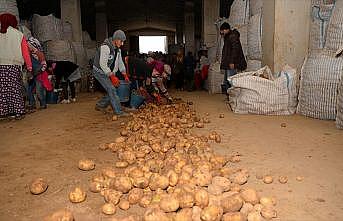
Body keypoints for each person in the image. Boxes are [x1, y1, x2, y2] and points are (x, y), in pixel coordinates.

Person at [0, 13, 32, 120]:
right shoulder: (18, 34)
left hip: (1, 65)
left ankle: (3, 113)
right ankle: (17, 112)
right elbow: (25, 52)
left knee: (2, 90)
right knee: (14, 89)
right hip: (13, 66)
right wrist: (29, 67)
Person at [92, 30, 130, 117]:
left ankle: (100, 105)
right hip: (99, 72)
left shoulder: (118, 50)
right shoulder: (105, 47)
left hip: (108, 72)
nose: (122, 43)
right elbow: (102, 64)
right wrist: (112, 76)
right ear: (116, 39)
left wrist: (124, 74)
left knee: (112, 89)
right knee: (112, 89)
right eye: (121, 41)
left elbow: (120, 63)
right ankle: (119, 112)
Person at [220, 22, 247, 92]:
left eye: (223, 31)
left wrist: (232, 61)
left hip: (231, 63)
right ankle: (230, 96)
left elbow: (235, 50)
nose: (222, 33)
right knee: (227, 80)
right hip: (228, 62)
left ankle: (233, 96)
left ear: (226, 29)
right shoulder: (228, 37)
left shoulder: (232, 36)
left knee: (231, 80)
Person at [27, 37, 52, 110]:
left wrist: (38, 71)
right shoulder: (29, 55)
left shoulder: (39, 54)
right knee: (29, 90)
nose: (28, 47)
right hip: (33, 75)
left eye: (29, 46)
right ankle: (32, 104)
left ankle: (43, 104)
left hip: (39, 75)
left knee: (38, 91)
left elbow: (44, 65)